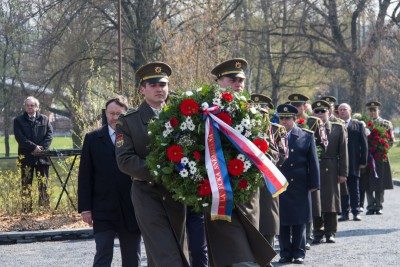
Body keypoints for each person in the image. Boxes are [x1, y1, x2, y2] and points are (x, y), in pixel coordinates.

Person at [115, 62, 189, 267]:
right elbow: (125, 160)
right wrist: (161, 171)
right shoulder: (129, 121)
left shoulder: (181, 117)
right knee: (167, 255)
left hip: (176, 194)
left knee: (175, 250)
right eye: (153, 84)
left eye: (163, 84)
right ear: (142, 89)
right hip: (147, 194)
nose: (159, 89)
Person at [203, 59, 276, 267]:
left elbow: (268, 150)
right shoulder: (206, 113)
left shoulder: (256, 114)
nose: (238, 84)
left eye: (241, 80)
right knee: (231, 254)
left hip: (246, 194)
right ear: (219, 82)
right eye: (232, 79)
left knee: (247, 250)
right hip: (217, 193)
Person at [78, 96, 141, 266]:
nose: (114, 118)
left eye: (119, 114)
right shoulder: (92, 138)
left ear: (126, 115)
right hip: (103, 208)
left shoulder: (136, 138)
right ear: (105, 113)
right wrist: (85, 208)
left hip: (131, 208)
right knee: (103, 255)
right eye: (111, 113)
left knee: (132, 258)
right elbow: (85, 175)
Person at [276, 104, 320, 264]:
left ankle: (299, 252)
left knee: (300, 221)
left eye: (287, 118)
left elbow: (313, 162)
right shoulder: (273, 135)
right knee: (282, 221)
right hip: (280, 183)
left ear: (294, 119)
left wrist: (314, 183)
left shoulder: (305, 135)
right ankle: (285, 252)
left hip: (300, 184)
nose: (284, 121)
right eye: (281, 118)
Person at [251, 93, 287, 267]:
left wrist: (262, 153)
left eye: (262, 111)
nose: (259, 114)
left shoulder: (275, 129)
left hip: (267, 178)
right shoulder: (246, 127)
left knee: (268, 220)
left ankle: (268, 258)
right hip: (249, 179)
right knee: (252, 221)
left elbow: (281, 155)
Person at [288, 93, 323, 250]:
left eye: (299, 105)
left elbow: (322, 143)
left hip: (307, 167)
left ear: (304, 106)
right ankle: (290, 239)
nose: (296, 108)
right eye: (293, 106)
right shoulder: (284, 121)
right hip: (289, 170)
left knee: (307, 206)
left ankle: (306, 236)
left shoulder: (313, 122)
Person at [311, 100, 348, 244]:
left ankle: (330, 232)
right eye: (317, 111)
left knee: (331, 201)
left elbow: (343, 152)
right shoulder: (309, 128)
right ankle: (317, 231)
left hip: (332, 167)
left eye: (323, 111)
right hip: (315, 167)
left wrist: (343, 172)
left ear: (329, 112)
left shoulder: (338, 127)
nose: (320, 114)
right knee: (316, 201)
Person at [14, 96, 53, 212]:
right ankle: (26, 210)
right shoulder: (18, 120)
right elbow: (20, 138)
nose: (29, 107)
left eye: (32, 105)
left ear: (37, 107)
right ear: (25, 107)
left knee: (44, 184)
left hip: (42, 157)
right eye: (27, 105)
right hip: (26, 157)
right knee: (26, 184)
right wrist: (34, 147)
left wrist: (41, 148)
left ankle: (44, 209)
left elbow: (49, 135)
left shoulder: (44, 119)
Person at [362, 101, 394, 215]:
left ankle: (379, 205)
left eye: (374, 110)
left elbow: (390, 140)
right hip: (368, 156)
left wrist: (383, 149)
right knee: (367, 181)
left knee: (380, 182)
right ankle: (370, 206)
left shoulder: (385, 124)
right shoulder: (364, 124)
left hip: (380, 156)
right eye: (370, 110)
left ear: (378, 111)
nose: (372, 112)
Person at [338, 103, 368, 222]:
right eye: (340, 110)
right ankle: (344, 212)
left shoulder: (358, 125)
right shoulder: (335, 125)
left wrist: (363, 161)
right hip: (340, 162)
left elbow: (364, 144)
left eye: (344, 109)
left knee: (354, 187)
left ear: (350, 110)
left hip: (354, 161)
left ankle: (356, 211)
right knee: (343, 188)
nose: (342, 111)